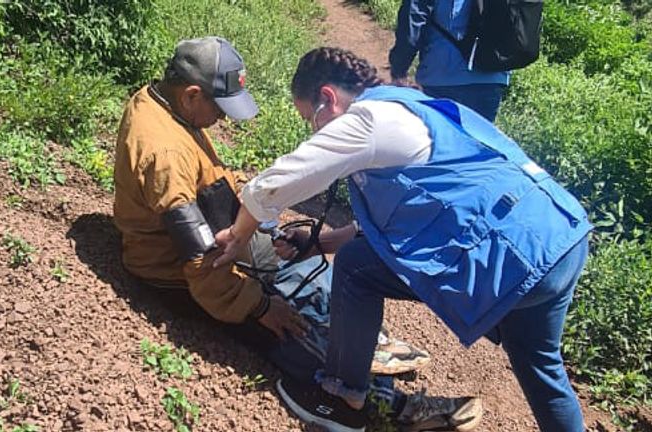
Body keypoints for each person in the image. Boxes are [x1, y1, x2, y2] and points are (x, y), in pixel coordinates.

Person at [215, 46, 592, 432]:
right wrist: (321, 242)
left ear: (327, 98)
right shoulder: (409, 106)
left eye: (309, 118)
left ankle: (342, 398)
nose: (314, 130)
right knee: (541, 366)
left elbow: (278, 182)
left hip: (514, 256)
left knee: (356, 269)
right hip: (559, 237)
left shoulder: (367, 119)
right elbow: (413, 214)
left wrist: (238, 233)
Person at [112, 37, 478, 429]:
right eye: (220, 109)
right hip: (179, 271)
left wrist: (256, 220)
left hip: (222, 234)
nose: (222, 119)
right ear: (192, 95)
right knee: (293, 335)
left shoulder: (166, 105)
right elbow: (201, 261)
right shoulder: (165, 155)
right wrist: (260, 307)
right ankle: (393, 406)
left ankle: (362, 344)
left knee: (300, 267)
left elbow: (209, 176)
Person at [388, 0, 509, 121]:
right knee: (477, 138)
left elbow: (413, 21)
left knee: (439, 137)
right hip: (491, 80)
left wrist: (398, 69)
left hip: (441, 77)